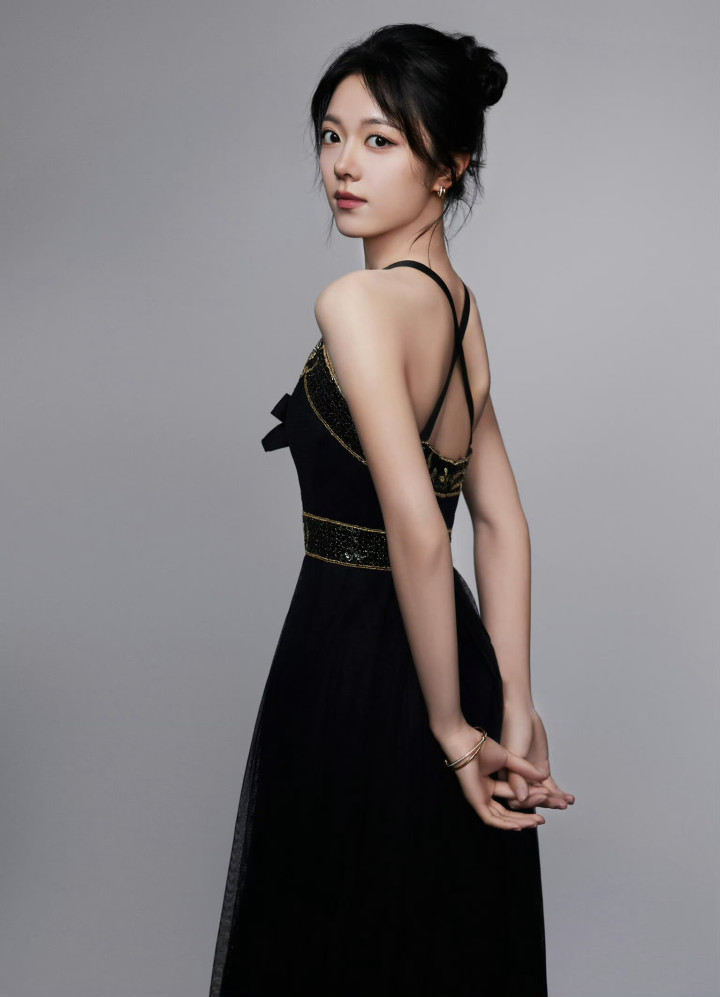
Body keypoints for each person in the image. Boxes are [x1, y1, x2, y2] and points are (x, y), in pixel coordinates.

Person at [209, 22, 574, 997]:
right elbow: (497, 520)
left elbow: (419, 526)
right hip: (448, 648)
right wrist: (514, 701)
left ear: (449, 167)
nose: (342, 164)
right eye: (332, 135)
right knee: (429, 944)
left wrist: (456, 729)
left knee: (335, 943)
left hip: (356, 654)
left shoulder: (360, 304)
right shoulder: (457, 305)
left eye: (379, 140)